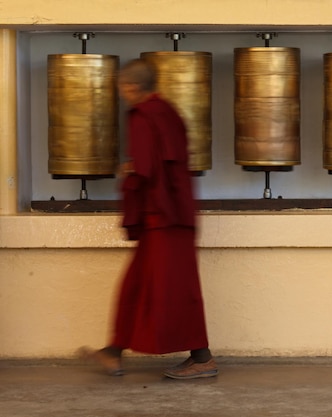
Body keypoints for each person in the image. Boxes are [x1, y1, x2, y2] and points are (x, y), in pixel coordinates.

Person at [81, 58, 217, 380]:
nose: (123, 94)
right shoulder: (169, 112)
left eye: (122, 88)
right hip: (176, 214)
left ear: (130, 87)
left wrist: (126, 173)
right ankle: (113, 351)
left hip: (162, 217)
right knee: (140, 285)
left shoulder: (142, 116)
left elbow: (143, 169)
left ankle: (202, 358)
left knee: (175, 290)